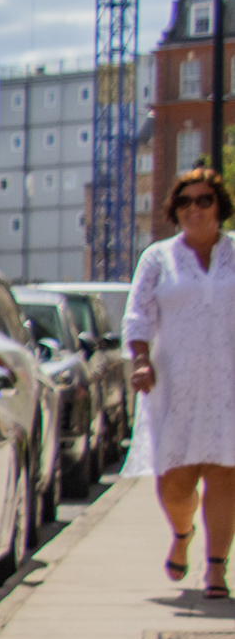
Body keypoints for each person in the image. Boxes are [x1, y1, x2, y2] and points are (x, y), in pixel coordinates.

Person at [123, 165, 235, 600]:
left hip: (227, 385)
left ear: (219, 207)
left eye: (204, 200)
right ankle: (182, 533)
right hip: (174, 384)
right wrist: (141, 360)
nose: (194, 208)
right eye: (185, 201)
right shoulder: (157, 258)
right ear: (175, 210)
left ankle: (215, 569)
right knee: (174, 482)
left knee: (225, 477)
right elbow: (138, 314)